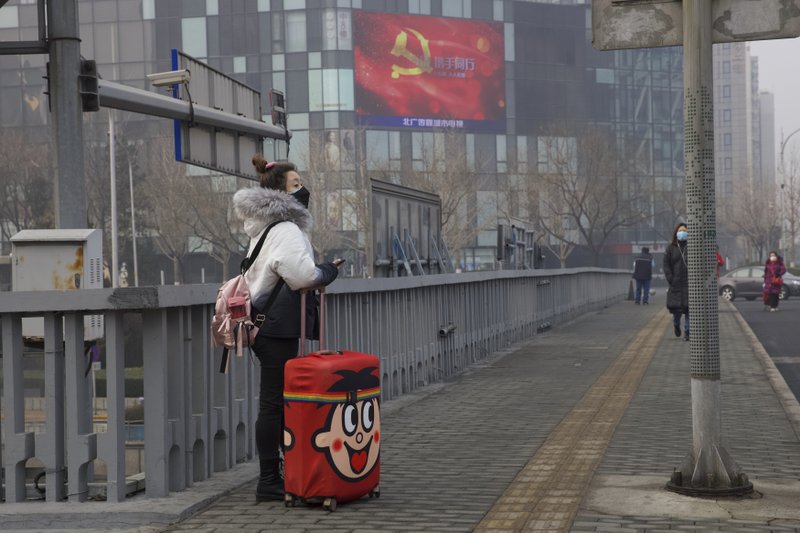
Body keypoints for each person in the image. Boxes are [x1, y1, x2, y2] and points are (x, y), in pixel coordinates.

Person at [233, 154, 340, 501]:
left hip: (264, 323)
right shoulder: (287, 229)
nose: (303, 190)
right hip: (276, 325)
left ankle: (279, 472)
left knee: (274, 402)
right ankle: (269, 480)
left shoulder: (265, 227)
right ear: (280, 194)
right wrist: (328, 271)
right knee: (273, 404)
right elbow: (303, 276)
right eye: (296, 185)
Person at [663, 223, 690, 341]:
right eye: (680, 230)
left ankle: (688, 332)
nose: (682, 232)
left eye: (684, 230)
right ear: (676, 232)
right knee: (677, 312)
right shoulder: (671, 247)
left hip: (689, 284)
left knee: (689, 310)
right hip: (676, 284)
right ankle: (676, 326)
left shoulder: (691, 246)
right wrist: (671, 278)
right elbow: (666, 264)